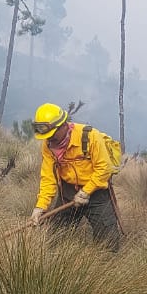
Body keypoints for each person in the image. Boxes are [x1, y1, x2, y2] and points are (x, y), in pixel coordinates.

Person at [28, 103, 121, 251]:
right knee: (54, 240)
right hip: (68, 193)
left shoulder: (90, 137)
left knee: (109, 244)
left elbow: (104, 169)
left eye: (52, 134)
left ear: (63, 125)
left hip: (97, 192)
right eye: (46, 136)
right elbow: (48, 179)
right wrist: (40, 207)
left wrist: (86, 192)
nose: (49, 139)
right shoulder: (48, 146)